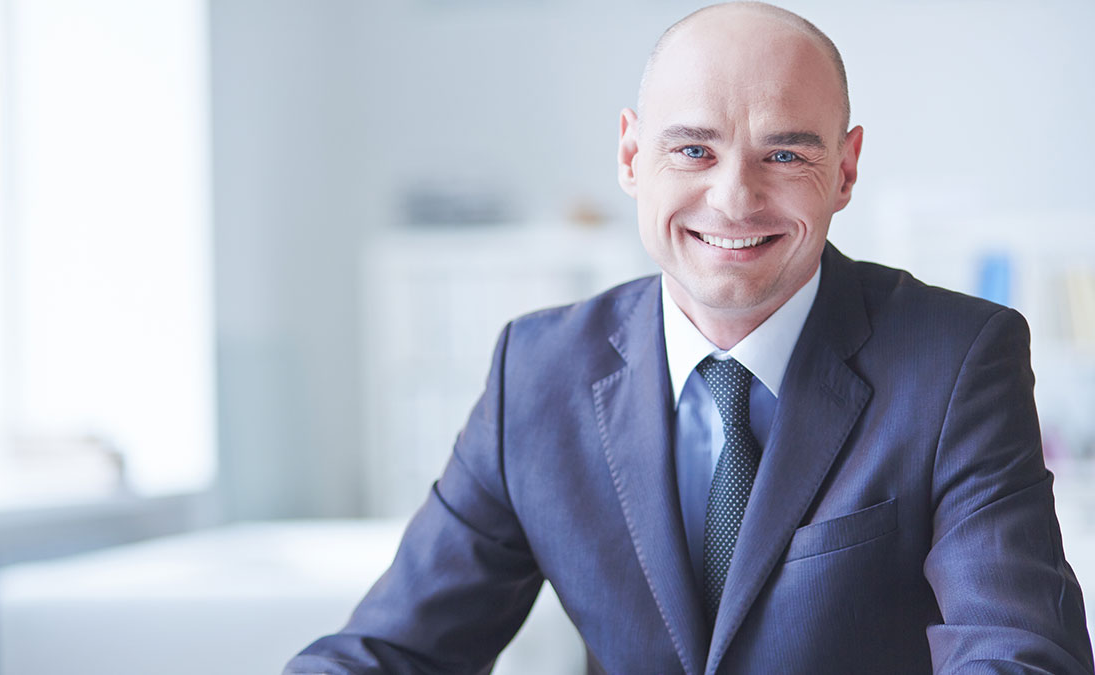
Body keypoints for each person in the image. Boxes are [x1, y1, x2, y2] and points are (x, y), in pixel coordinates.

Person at [285, 2, 1094, 673]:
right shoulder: (535, 374)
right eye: (693, 150)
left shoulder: (957, 359)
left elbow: (1020, 652)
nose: (734, 199)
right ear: (633, 154)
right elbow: (391, 650)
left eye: (784, 153)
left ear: (845, 170)